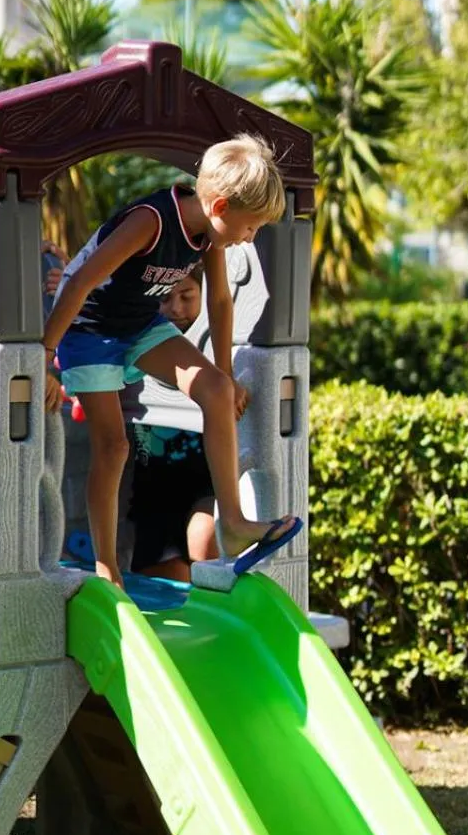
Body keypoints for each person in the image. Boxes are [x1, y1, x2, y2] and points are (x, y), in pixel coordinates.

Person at [42, 135, 301, 584]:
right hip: (89, 329)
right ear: (220, 207)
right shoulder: (152, 221)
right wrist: (45, 359)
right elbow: (79, 280)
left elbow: (219, 302)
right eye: (250, 227)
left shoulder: (208, 237)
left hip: (139, 325)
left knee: (216, 391)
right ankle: (107, 567)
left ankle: (235, 525)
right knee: (114, 445)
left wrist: (224, 373)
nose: (249, 238)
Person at [128, 266, 216, 582]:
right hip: (155, 493)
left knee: (204, 539)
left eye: (187, 296)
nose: (176, 308)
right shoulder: (135, 338)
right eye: (165, 298)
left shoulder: (215, 344)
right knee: (170, 577)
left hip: (205, 483)